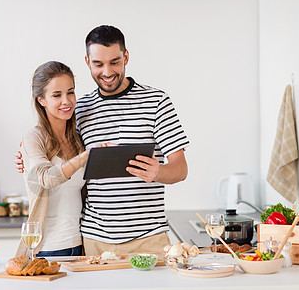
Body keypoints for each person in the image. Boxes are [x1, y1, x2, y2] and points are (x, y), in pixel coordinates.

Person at [15, 25, 190, 256]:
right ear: (87, 62)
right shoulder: (80, 109)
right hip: (93, 241)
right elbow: (58, 153)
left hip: (148, 239)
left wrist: (157, 172)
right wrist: (26, 158)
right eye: (98, 64)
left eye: (115, 62)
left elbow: (180, 169)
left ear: (126, 56)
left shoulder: (156, 101)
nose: (107, 72)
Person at [16, 61, 91, 257]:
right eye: (57, 95)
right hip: (48, 248)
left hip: (80, 245)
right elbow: (47, 178)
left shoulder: (77, 138)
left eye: (70, 92)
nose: (66, 101)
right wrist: (82, 160)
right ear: (41, 100)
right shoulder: (34, 137)